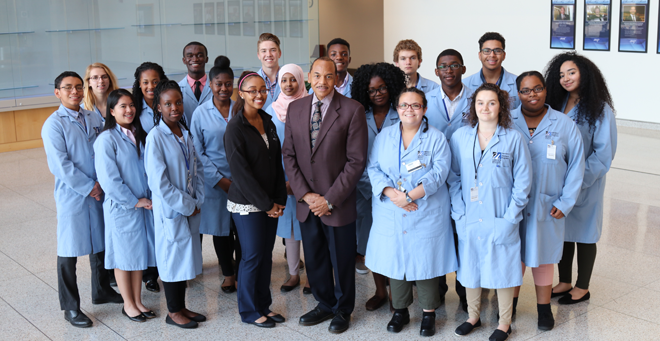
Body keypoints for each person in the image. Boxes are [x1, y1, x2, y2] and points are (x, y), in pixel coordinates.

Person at [282, 56, 368, 334]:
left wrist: (329, 199)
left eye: (328, 76)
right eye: (317, 76)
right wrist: (306, 195)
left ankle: (343, 309)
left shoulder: (352, 110)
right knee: (316, 256)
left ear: (337, 78)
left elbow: (356, 161)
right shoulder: (295, 109)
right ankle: (324, 303)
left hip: (336, 203)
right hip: (307, 203)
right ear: (309, 76)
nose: (322, 82)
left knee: (342, 258)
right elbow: (289, 155)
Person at [366, 87, 457, 337]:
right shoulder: (385, 136)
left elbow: (439, 173)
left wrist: (408, 196)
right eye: (404, 105)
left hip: (425, 209)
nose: (410, 110)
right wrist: (391, 194)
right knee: (396, 261)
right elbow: (373, 168)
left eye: (416, 105)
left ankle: (429, 313)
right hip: (391, 208)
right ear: (397, 109)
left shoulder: (436, 138)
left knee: (426, 262)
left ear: (424, 109)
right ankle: (400, 310)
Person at [448, 83, 532, 341]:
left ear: (501, 106)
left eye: (492, 102)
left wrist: (510, 217)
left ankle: (504, 323)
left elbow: (523, 182)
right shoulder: (461, 137)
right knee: (471, 267)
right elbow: (453, 177)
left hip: (501, 215)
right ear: (473, 106)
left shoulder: (513, 138)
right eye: (480, 102)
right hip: (469, 215)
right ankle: (473, 316)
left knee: (504, 270)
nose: (485, 107)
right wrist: (459, 212)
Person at [42, 71, 123, 328]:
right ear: (58, 93)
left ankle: (101, 291)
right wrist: (90, 187)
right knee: (69, 251)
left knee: (99, 244)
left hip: (98, 191)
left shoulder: (92, 116)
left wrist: (102, 185)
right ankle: (70, 307)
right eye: (68, 88)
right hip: (74, 196)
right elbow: (61, 166)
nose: (74, 92)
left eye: (78, 87)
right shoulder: (54, 124)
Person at [510, 71, 585, 331]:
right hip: (513, 205)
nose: (532, 95)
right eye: (526, 90)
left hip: (548, 205)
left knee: (543, 258)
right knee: (513, 257)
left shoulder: (564, 124)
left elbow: (577, 166)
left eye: (538, 88)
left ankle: (544, 310)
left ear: (545, 90)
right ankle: (510, 307)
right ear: (518, 93)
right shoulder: (507, 120)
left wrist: (565, 203)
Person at [545, 52, 617, 305]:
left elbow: (604, 153)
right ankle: (564, 280)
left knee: (585, 233)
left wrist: (577, 181)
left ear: (584, 74)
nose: (565, 79)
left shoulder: (600, 108)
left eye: (571, 73)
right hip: (558, 181)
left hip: (587, 183)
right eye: (561, 74)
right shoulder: (556, 102)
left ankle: (582, 286)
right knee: (563, 230)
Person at [224, 71, 287, 328]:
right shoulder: (235, 128)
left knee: (266, 255)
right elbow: (242, 175)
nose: (259, 94)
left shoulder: (267, 121)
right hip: (247, 204)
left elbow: (276, 163)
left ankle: (263, 305)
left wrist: (279, 200)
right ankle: (249, 311)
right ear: (241, 93)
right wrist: (267, 204)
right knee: (251, 256)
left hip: (271, 202)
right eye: (252, 90)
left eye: (262, 90)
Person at [144, 80, 206, 329]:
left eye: (178, 102)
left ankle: (181, 306)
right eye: (167, 104)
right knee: (171, 259)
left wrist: (198, 198)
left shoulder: (184, 132)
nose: (174, 108)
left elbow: (197, 168)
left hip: (190, 206)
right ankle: (172, 312)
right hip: (173, 209)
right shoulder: (156, 137)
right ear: (158, 107)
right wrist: (186, 205)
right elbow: (159, 184)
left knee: (184, 258)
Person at [94, 89, 157, 322]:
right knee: (123, 256)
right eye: (122, 106)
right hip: (123, 207)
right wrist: (134, 201)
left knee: (138, 254)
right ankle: (128, 304)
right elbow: (110, 180)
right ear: (112, 111)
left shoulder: (138, 133)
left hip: (142, 206)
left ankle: (138, 300)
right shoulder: (106, 140)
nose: (129, 110)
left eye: (131, 105)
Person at [349, 62, 405, 311]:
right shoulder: (359, 115)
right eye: (372, 90)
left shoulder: (402, 112)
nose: (378, 93)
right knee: (373, 243)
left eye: (382, 88)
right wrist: (371, 186)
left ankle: (397, 296)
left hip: (397, 191)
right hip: (365, 190)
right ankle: (380, 291)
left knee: (395, 244)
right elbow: (354, 155)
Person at [425, 48, 473, 311]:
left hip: (466, 177)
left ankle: (466, 292)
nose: (449, 70)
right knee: (438, 234)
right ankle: (439, 289)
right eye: (443, 66)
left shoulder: (476, 99)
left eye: (454, 65)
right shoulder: (427, 99)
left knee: (462, 235)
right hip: (433, 178)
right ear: (436, 72)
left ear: (463, 69)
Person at [190, 56, 241, 294]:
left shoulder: (241, 108)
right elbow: (197, 153)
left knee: (243, 230)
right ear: (210, 84)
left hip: (243, 182)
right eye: (219, 84)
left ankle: (242, 273)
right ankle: (228, 274)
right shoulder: (200, 113)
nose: (224, 88)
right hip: (215, 183)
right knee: (221, 232)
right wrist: (221, 181)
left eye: (228, 84)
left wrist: (238, 181)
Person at [264, 63, 312, 293]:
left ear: (301, 80)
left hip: (307, 177)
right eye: (284, 80)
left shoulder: (311, 105)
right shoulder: (271, 109)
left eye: (293, 79)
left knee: (310, 227)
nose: (289, 84)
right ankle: (293, 274)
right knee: (290, 229)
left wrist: (301, 179)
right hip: (281, 177)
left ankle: (312, 276)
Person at [463, 32, 520, 109]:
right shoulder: (465, 85)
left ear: (504, 55)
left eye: (497, 50)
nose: (492, 55)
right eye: (487, 51)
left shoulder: (518, 83)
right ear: (480, 55)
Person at [179, 41, 212, 124]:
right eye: (190, 56)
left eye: (200, 55)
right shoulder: (177, 89)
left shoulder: (216, 87)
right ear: (184, 60)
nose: (195, 59)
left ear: (206, 59)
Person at [134, 62, 168, 134]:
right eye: (145, 82)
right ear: (140, 84)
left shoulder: (171, 103)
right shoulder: (134, 109)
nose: (151, 86)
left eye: (155, 82)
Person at [257, 33, 282, 110]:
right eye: (264, 51)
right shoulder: (252, 81)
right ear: (258, 55)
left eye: (273, 50)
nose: (268, 54)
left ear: (279, 53)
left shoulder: (289, 78)